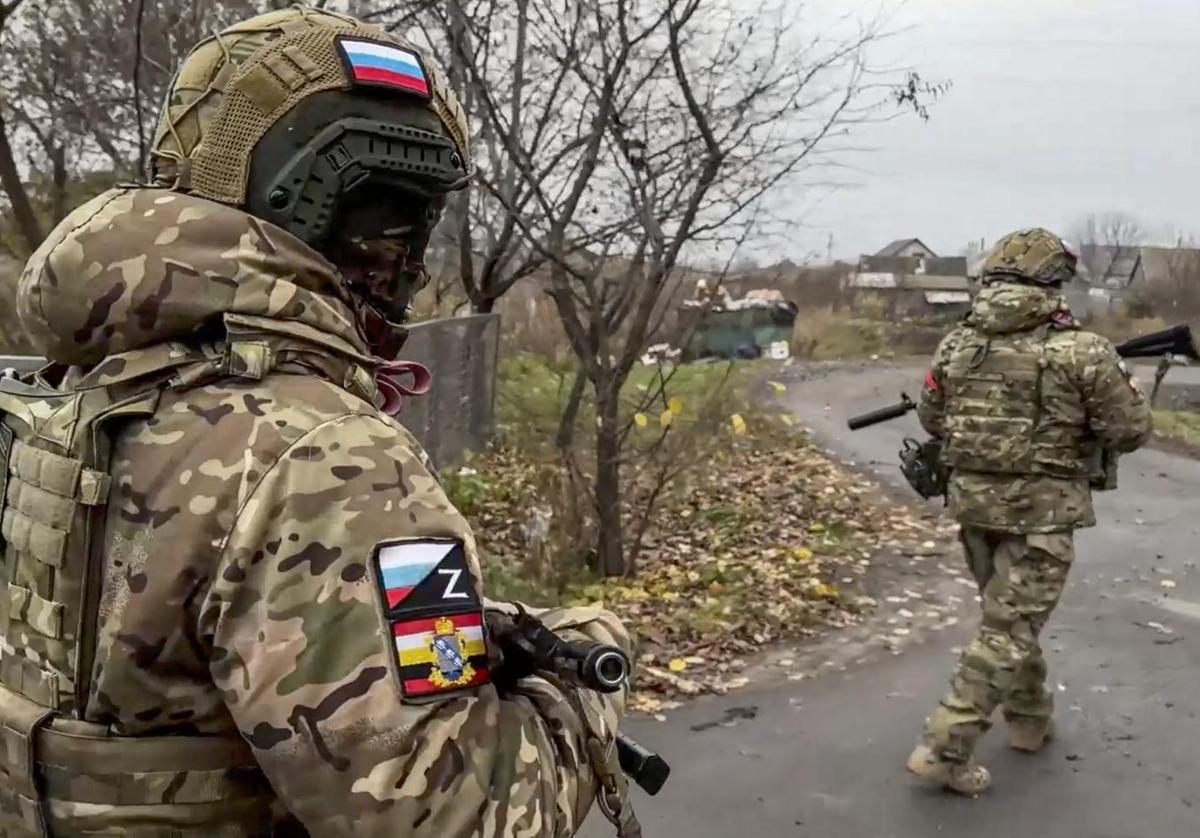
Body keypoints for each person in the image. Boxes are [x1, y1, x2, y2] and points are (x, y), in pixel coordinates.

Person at [0, 7, 634, 836]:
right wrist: (587, 678)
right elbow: (454, 819)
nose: (398, 257)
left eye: (412, 220)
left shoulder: (70, 386)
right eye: (378, 214)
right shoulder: (324, 453)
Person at [905, 227, 1153, 794]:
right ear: (1054, 282)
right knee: (1009, 629)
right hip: (1042, 515)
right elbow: (1131, 430)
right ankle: (944, 748)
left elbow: (932, 418)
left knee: (1010, 622)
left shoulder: (957, 343)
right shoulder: (1083, 351)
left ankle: (1029, 719)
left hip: (972, 508)